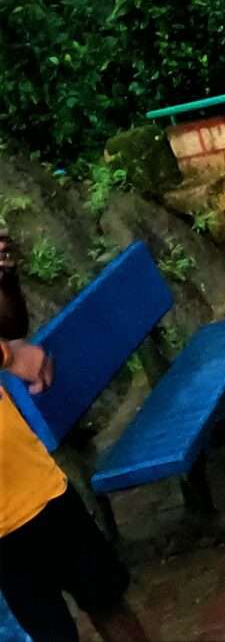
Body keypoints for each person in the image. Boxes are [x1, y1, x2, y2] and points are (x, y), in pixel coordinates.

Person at [0, 232, 150, 642]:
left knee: (107, 601)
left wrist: (5, 280)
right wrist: (10, 357)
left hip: (39, 485)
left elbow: (9, 325)